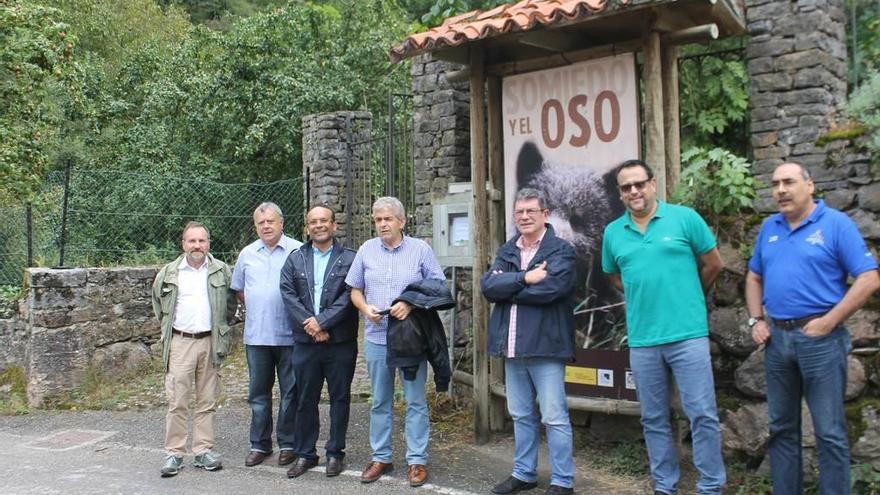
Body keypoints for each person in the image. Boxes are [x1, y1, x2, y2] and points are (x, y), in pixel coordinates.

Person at [746, 162, 879, 495]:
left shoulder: (835, 224)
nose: (780, 190)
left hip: (821, 340)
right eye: (775, 183)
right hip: (777, 341)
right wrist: (756, 320)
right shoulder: (769, 227)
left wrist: (830, 321)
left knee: (829, 431)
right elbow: (754, 276)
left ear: (810, 185)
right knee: (781, 428)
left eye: (789, 182)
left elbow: (869, 278)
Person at [601, 159, 726, 495]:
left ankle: (711, 487)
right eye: (626, 187)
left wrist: (689, 293)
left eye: (639, 184)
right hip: (644, 339)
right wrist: (648, 294)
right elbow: (615, 276)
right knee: (654, 419)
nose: (634, 191)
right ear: (620, 193)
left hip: (688, 335)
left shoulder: (684, 219)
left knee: (701, 414)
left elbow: (714, 263)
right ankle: (665, 486)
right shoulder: (613, 233)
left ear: (653, 184)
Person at [480, 188, 577, 495]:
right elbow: (488, 287)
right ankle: (524, 473)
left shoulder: (560, 251)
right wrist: (524, 278)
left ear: (545, 215)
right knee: (521, 414)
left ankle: (563, 481)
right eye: (519, 212)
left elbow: (552, 291)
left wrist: (508, 288)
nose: (524, 216)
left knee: (554, 416)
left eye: (530, 211)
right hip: (512, 348)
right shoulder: (508, 250)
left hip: (545, 347)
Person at [345, 196, 445, 487]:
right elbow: (354, 290)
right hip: (377, 338)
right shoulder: (366, 250)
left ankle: (416, 461)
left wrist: (410, 304)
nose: (382, 224)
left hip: (411, 339)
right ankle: (381, 457)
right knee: (380, 401)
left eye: (388, 218)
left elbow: (438, 287)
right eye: (378, 219)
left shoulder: (420, 251)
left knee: (414, 401)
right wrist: (365, 309)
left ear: (402, 221)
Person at [279, 205, 358, 478]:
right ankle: (305, 454)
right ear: (307, 227)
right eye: (313, 221)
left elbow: (350, 295)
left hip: (340, 343)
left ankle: (335, 453)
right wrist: (312, 326)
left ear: (334, 225)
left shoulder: (350, 258)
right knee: (305, 399)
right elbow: (288, 294)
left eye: (324, 221)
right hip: (305, 342)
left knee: (340, 398)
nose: (319, 225)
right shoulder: (295, 258)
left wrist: (323, 322)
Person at [151, 221, 235, 478]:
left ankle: (203, 450)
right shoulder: (169, 273)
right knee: (177, 400)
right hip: (180, 343)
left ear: (208, 243)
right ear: (183, 244)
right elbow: (158, 305)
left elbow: (230, 307)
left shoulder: (221, 271)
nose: (197, 246)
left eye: (202, 241)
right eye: (192, 241)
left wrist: (221, 330)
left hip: (210, 342)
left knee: (207, 400)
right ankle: (174, 453)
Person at [232, 202, 303, 467]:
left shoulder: (297, 250)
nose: (266, 226)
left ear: (281, 223)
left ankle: (288, 443)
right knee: (259, 395)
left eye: (270, 221)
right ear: (256, 226)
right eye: (261, 223)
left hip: (290, 337)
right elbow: (239, 290)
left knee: (290, 393)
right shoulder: (247, 254)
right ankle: (260, 445)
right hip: (257, 338)